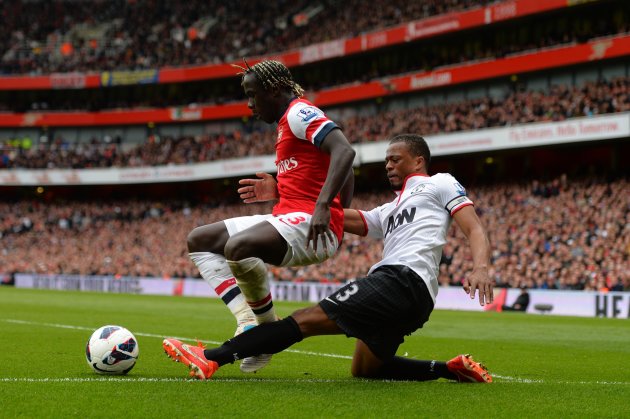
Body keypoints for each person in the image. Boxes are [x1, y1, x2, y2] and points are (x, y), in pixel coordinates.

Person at [164, 134, 494, 382]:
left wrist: (481, 267)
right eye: (386, 161)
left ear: (419, 160)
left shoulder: (440, 183)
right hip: (414, 299)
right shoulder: (390, 208)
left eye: (396, 159)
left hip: (399, 280)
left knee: (304, 320)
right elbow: (339, 215)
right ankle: (449, 370)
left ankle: (212, 356)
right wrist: (284, 193)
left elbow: (474, 227)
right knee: (366, 370)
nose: (389, 165)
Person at [185, 59, 356, 373]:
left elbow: (344, 151)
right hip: (292, 215)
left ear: (275, 89)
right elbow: (332, 165)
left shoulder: (299, 113)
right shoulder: (284, 124)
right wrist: (279, 189)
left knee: (238, 247)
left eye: (253, 95)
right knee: (200, 240)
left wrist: (327, 210)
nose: (249, 104)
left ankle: (263, 334)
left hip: (312, 225)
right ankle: (252, 323)